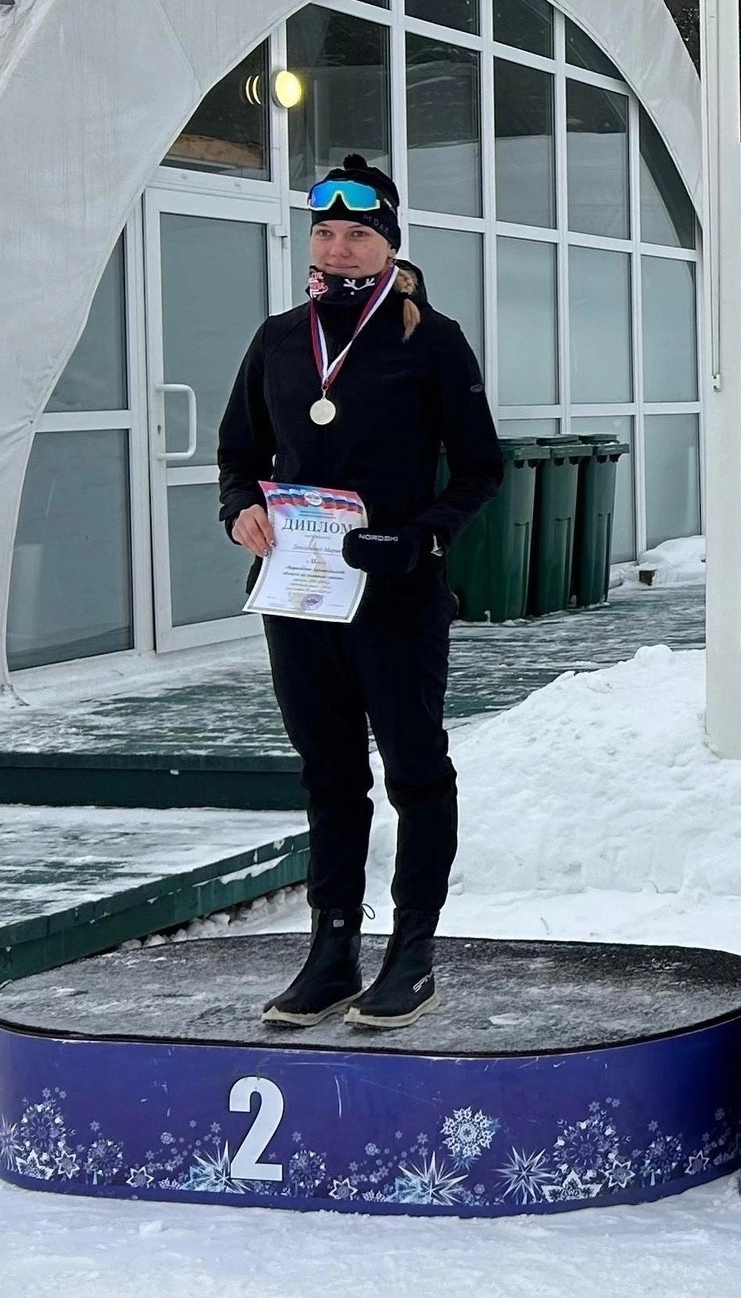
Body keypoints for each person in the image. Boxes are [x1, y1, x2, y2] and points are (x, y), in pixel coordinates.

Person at [218, 154, 502, 1030]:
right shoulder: (275, 339)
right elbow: (238, 460)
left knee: (416, 772)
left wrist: (425, 534)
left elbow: (484, 468)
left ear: (387, 245)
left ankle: (412, 949)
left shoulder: (431, 339)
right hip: (301, 599)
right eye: (327, 232)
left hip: (396, 597)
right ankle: (332, 946)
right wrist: (241, 513)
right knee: (330, 775)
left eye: (358, 234)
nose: (339, 249)